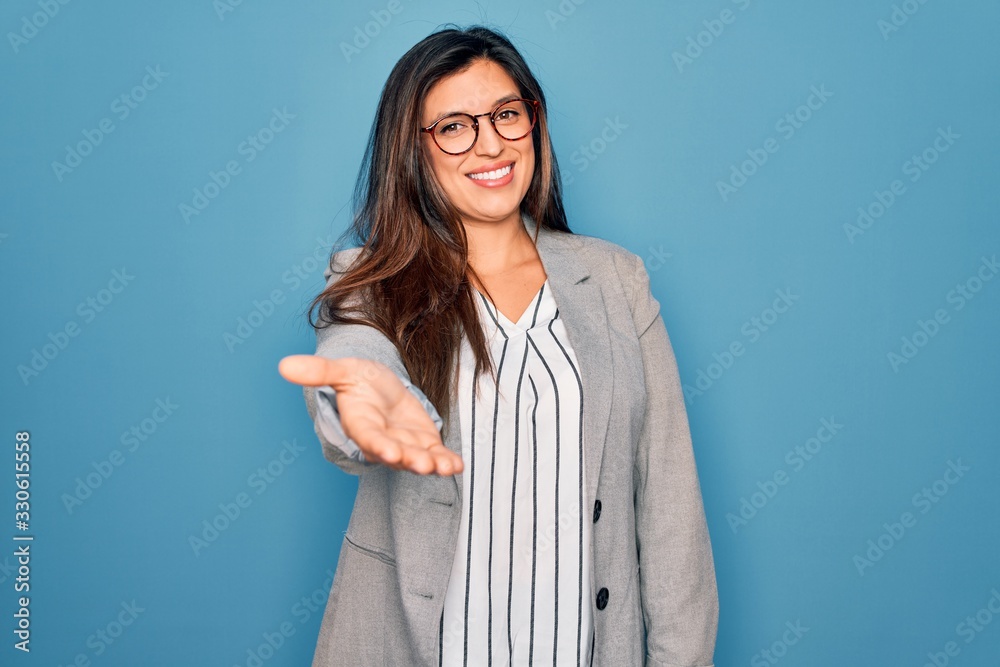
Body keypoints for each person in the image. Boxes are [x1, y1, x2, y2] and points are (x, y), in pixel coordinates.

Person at [278, 24, 718, 667]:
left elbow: (671, 513)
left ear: (533, 123)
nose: (490, 144)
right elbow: (355, 356)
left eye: (507, 115)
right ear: (413, 150)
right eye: (454, 126)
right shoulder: (372, 282)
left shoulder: (617, 280)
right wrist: (366, 401)